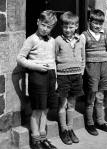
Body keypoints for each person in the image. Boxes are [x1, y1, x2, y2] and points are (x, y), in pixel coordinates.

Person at [17, 10, 57, 149]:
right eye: (43, 25)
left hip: (50, 76)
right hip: (37, 77)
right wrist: (37, 66)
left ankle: (43, 137)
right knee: (37, 110)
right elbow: (20, 58)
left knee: (46, 109)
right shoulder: (31, 39)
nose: (45, 29)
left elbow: (53, 60)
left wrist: (55, 79)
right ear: (38, 22)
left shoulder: (52, 41)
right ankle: (35, 140)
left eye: (49, 27)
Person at [81, 9, 107, 136]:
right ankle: (90, 123)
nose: (98, 26)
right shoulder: (84, 35)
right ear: (90, 21)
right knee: (91, 97)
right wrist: (84, 70)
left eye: (100, 23)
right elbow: (82, 53)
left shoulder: (105, 33)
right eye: (95, 23)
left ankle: (100, 121)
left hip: (104, 66)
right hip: (91, 68)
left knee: (100, 97)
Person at [55, 11, 85, 145]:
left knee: (72, 103)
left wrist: (81, 70)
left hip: (76, 75)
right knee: (63, 104)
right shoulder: (58, 40)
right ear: (62, 27)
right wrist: (55, 77)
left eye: (71, 27)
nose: (68, 30)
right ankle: (63, 130)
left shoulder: (80, 40)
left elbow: (83, 57)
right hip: (62, 76)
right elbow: (53, 59)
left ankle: (70, 128)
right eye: (65, 27)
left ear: (76, 26)